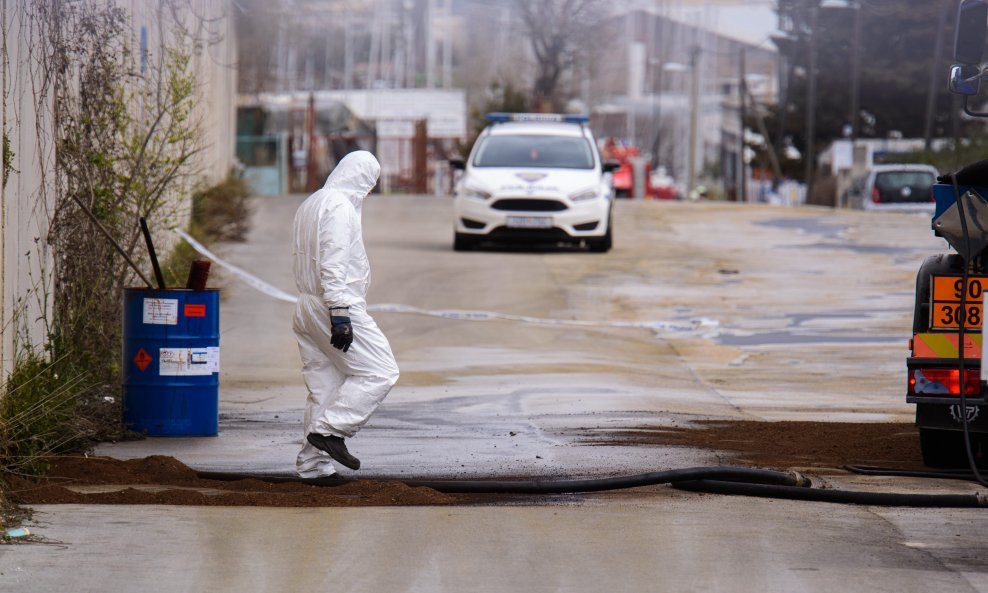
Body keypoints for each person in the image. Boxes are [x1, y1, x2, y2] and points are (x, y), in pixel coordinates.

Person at [292, 150, 400, 478]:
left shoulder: (312, 203)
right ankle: (331, 431)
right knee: (380, 371)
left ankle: (314, 467)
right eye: (369, 185)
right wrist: (340, 312)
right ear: (363, 180)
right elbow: (333, 259)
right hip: (334, 304)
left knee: (324, 386)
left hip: (307, 306)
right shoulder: (339, 207)